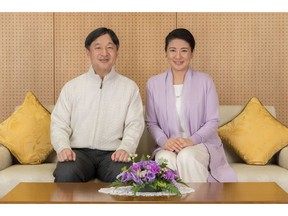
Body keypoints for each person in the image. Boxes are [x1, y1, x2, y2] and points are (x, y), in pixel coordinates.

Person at [51, 27, 145, 182]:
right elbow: (59, 123)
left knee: (126, 176)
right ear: (88, 53)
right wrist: (63, 147)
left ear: (117, 52)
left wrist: (125, 148)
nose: (104, 53)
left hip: (113, 154)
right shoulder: (72, 87)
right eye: (98, 48)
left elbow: (135, 124)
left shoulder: (129, 87)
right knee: (66, 173)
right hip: (78, 153)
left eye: (110, 47)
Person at [145, 28, 237, 183]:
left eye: (184, 50)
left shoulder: (205, 81)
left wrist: (191, 140)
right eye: (173, 50)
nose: (178, 56)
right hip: (168, 145)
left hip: (201, 144)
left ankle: (198, 203)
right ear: (166, 53)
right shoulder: (153, 84)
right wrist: (164, 141)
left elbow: (213, 120)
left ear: (192, 53)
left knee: (187, 156)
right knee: (164, 160)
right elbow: (151, 122)